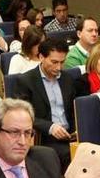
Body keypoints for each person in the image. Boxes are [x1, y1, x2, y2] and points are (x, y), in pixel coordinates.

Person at [13, 39, 75, 169]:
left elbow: (75, 110)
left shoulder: (67, 79)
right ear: (41, 57)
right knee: (71, 155)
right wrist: (50, 127)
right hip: (44, 137)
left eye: (62, 62)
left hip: (70, 136)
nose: (59, 67)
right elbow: (22, 116)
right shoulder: (25, 81)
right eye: (54, 62)